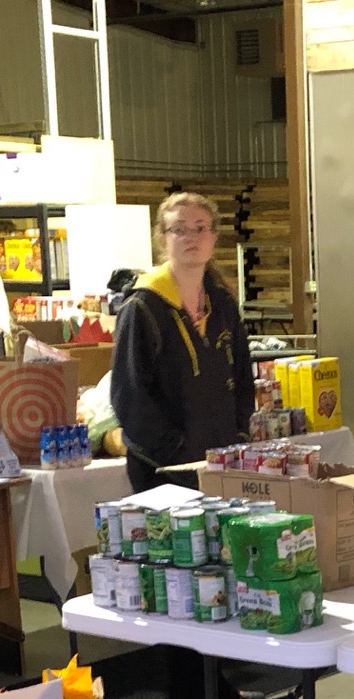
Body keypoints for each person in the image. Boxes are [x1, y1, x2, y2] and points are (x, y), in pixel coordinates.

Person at [109, 191, 254, 493]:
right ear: (163, 239)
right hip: (162, 472)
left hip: (220, 465)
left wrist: (239, 435)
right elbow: (129, 396)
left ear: (214, 237)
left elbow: (242, 375)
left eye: (201, 228)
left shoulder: (223, 304)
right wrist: (175, 452)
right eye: (179, 229)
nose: (192, 237)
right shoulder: (142, 307)